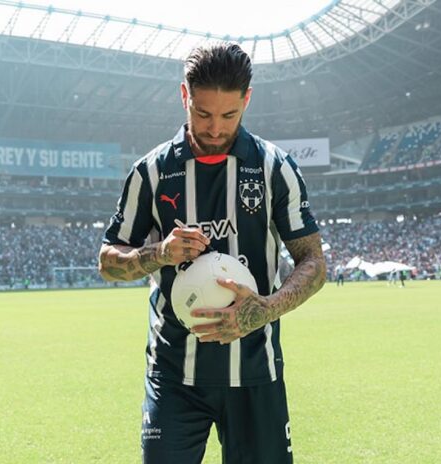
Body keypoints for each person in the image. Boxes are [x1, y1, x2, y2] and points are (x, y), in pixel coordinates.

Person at [98, 42, 326, 464]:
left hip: (255, 374)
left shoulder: (276, 168)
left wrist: (266, 308)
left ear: (247, 100)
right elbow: (108, 262)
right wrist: (158, 254)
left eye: (229, 115)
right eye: (203, 114)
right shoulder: (150, 173)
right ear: (184, 96)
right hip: (174, 376)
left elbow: (313, 262)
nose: (216, 128)